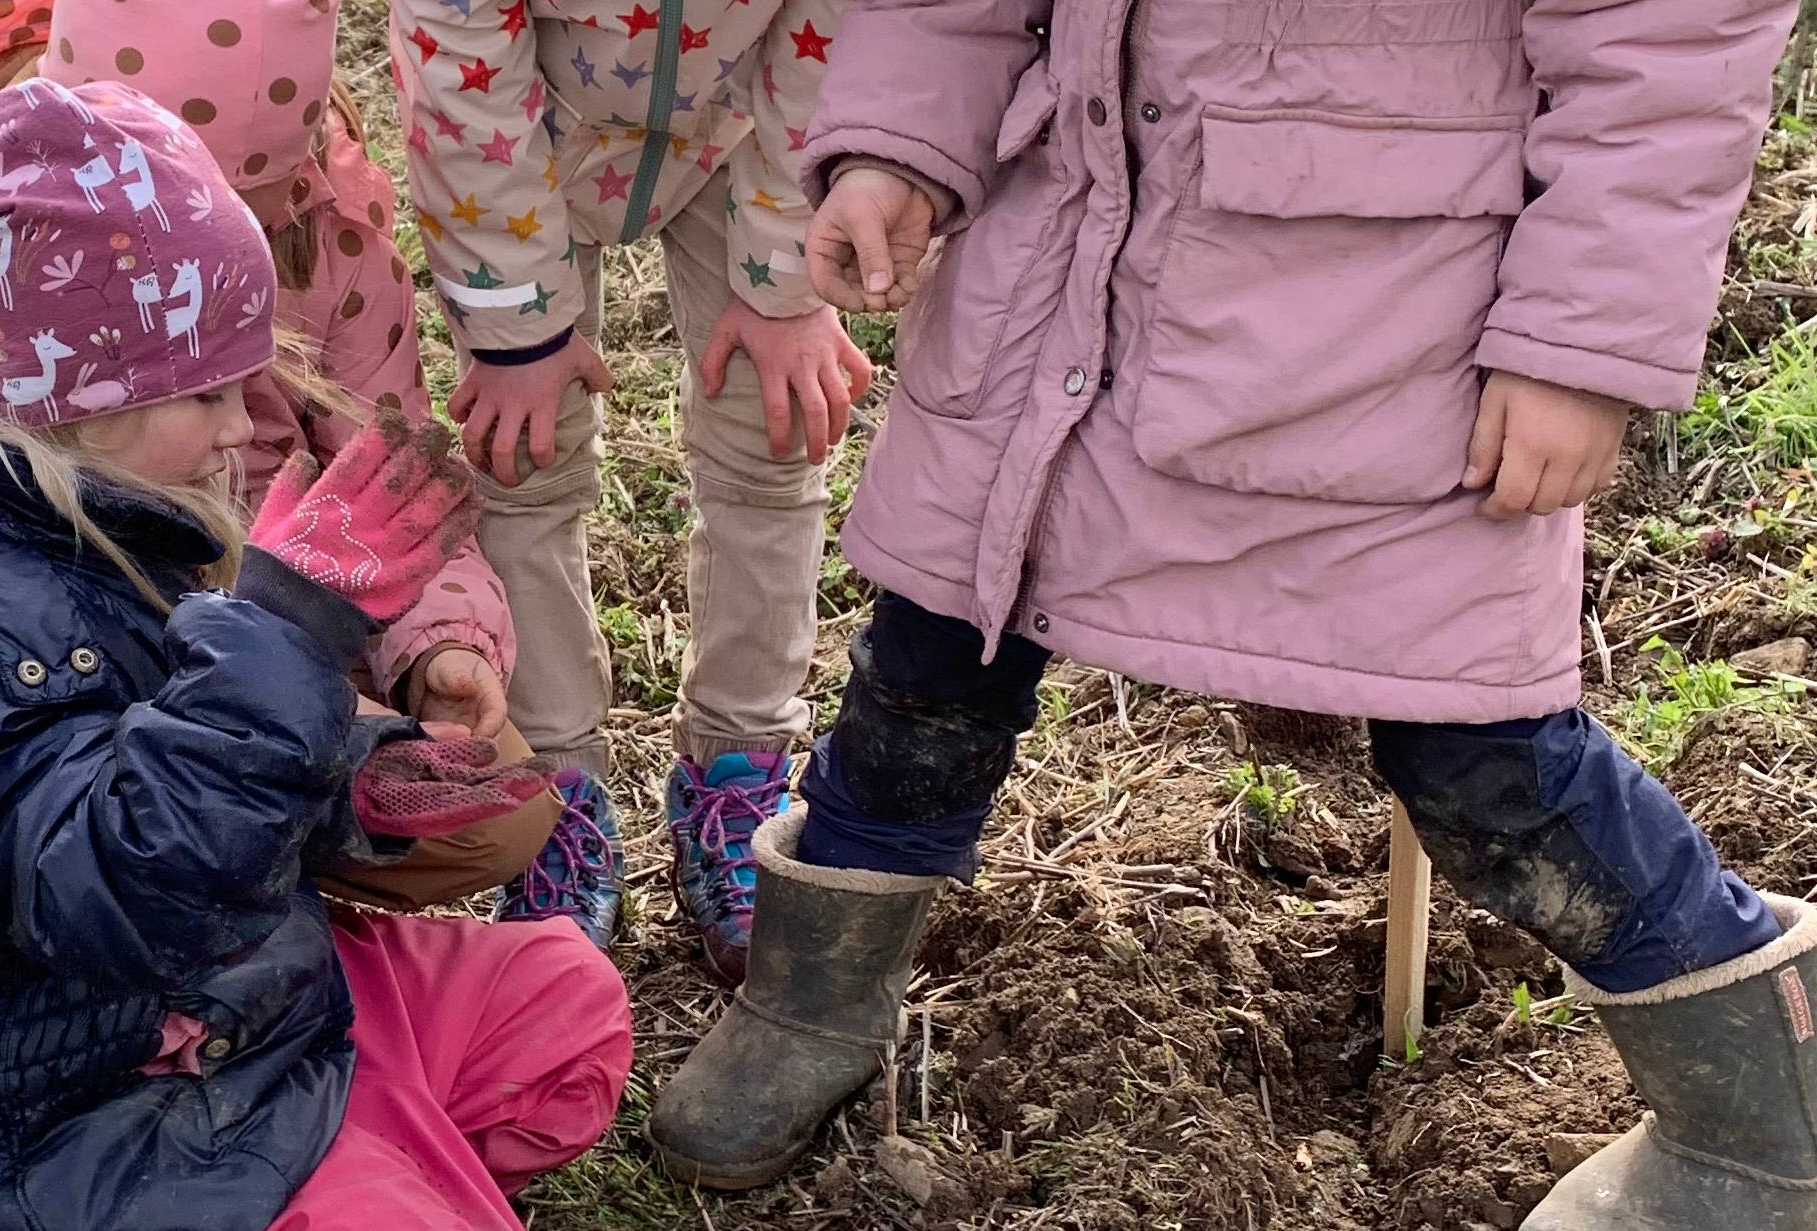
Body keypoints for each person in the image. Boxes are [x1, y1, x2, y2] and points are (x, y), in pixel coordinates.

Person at [644, 0, 1816, 1224]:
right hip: (1064, 281)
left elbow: (1664, 45)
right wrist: (898, 150)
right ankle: (808, 997)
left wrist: (1580, 343)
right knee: (937, 647)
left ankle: (1756, 1118)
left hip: (1399, 333)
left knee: (1481, 755)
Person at [0, 80, 631, 1231]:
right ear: (78, 401)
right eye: (208, 391)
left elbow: (178, 748)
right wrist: (290, 636)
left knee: (563, 1007)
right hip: (105, 1108)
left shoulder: (94, 508)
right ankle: (360, 1172)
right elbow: (117, 892)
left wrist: (368, 776)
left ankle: (369, 1153)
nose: (249, 421)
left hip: (249, 1006)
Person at [0, 0, 564, 919]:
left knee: (491, 802)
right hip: (100, 683)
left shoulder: (336, 252)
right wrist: (276, 700)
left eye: (254, 222)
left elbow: (390, 486)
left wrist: (434, 646)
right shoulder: (10, 273)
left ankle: (274, 921)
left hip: (286, 627)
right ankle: (228, 938)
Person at [390, 0, 873, 975]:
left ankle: (738, 768)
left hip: (749, 128)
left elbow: (832, 30)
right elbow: (456, 59)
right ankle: (554, 784)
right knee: (523, 460)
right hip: (522, 128)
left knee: (773, 438)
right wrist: (517, 325)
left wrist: (783, 282)